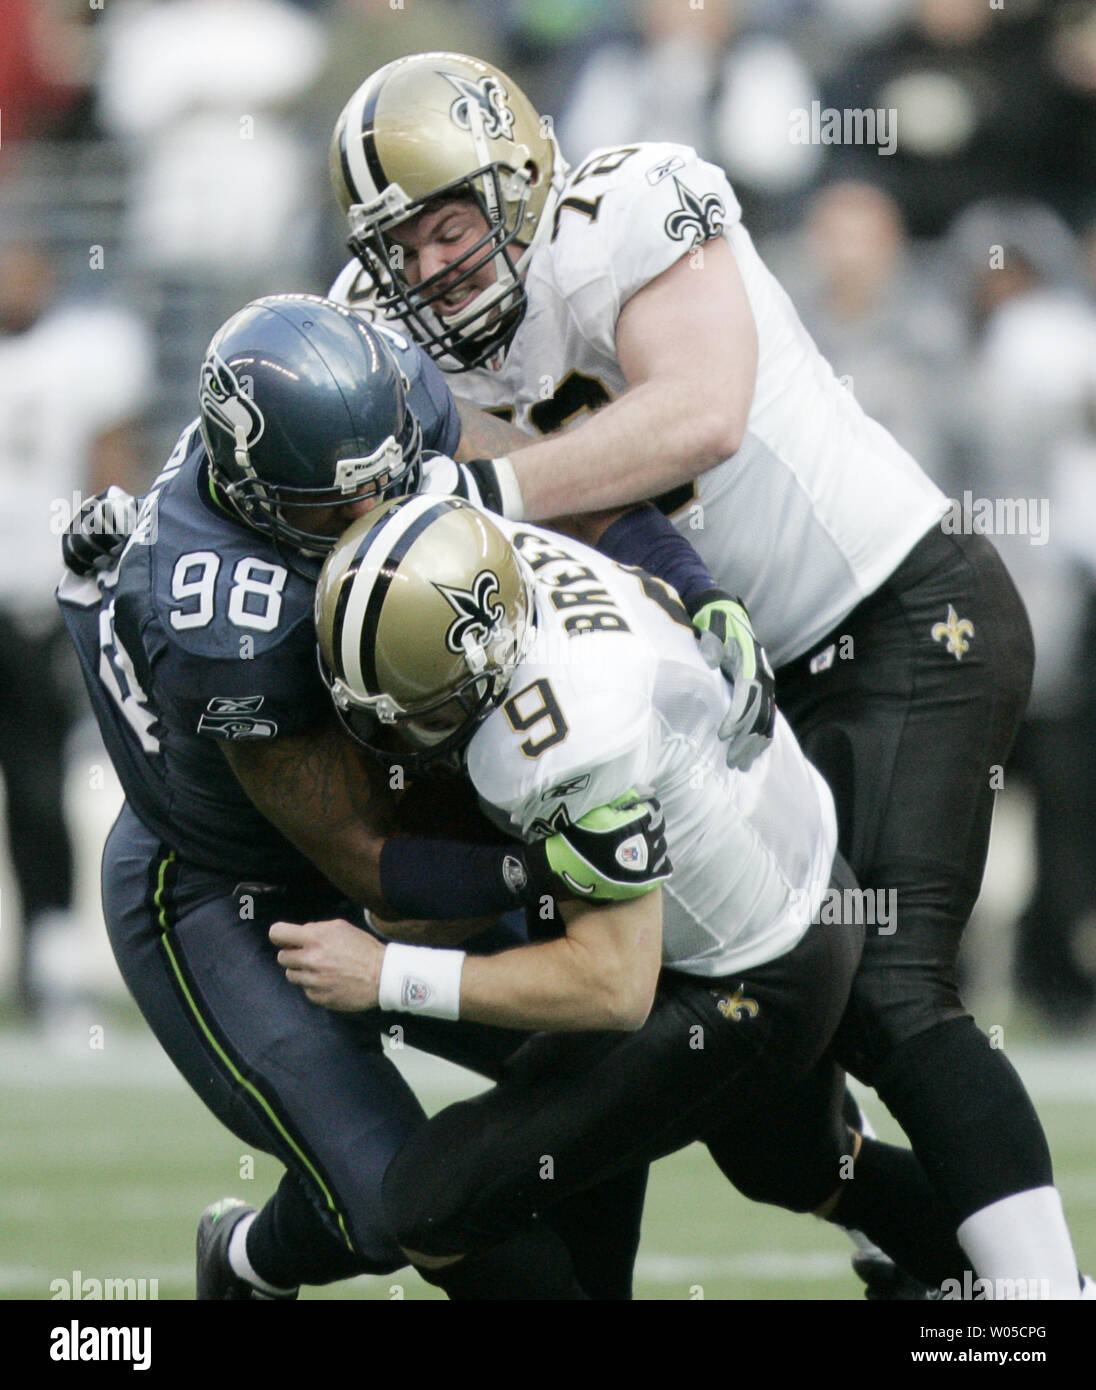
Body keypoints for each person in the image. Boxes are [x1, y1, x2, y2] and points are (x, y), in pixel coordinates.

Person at [327, 52, 1083, 1295]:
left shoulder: (628, 204)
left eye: (447, 226)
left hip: (895, 613)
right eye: (395, 245)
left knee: (885, 989)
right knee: (764, 1117)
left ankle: (1043, 1300)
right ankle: (940, 1268)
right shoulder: (392, 336)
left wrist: (482, 485)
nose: (426, 269)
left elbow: (701, 412)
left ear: (517, 182)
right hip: (728, 701)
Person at [58, 292, 776, 1300]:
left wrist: (686, 579)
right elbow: (368, 866)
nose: (373, 518)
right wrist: (538, 863)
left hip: (406, 820)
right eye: (330, 509)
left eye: (385, 484)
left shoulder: (370, 405)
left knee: (596, 1091)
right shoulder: (225, 619)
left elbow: (532, 475)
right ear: (254, 492)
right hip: (234, 889)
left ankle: (263, 1258)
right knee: (395, 1202)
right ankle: (249, 1257)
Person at [275, 491, 975, 1295]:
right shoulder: (484, 549)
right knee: (794, 1165)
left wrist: (387, 975)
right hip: (791, 875)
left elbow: (612, 985)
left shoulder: (555, 739)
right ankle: (1036, 1289)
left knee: (430, 1205)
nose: (396, 736)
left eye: (418, 708)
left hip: (747, 974)